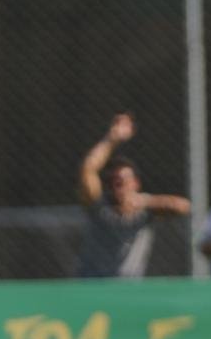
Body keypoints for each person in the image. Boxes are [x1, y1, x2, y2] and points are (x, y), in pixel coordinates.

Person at [75, 113, 190, 278]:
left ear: (136, 184)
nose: (119, 187)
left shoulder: (145, 210)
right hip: (92, 283)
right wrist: (112, 138)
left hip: (129, 287)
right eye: (114, 182)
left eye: (124, 181)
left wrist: (145, 202)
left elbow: (183, 206)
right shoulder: (99, 206)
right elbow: (88, 169)